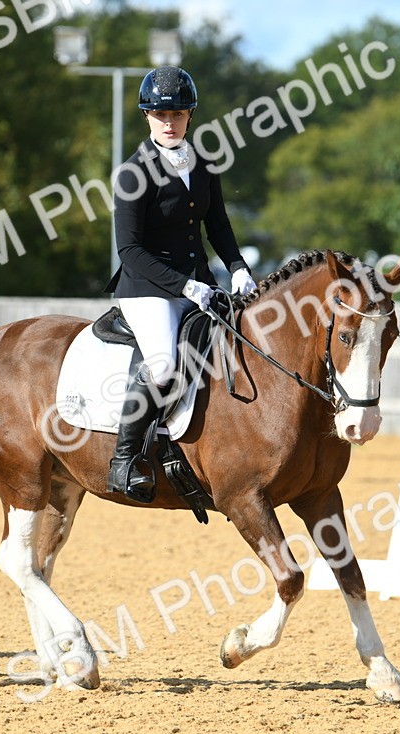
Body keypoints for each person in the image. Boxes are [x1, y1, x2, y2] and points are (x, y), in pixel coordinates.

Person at [104, 65, 258, 501]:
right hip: (147, 289)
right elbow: (129, 250)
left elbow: (218, 225)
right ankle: (124, 459)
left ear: (190, 115)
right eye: (160, 114)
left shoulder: (203, 164)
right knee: (164, 366)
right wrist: (184, 287)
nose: (168, 122)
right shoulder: (132, 174)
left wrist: (238, 267)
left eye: (177, 114)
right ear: (147, 116)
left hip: (201, 284)